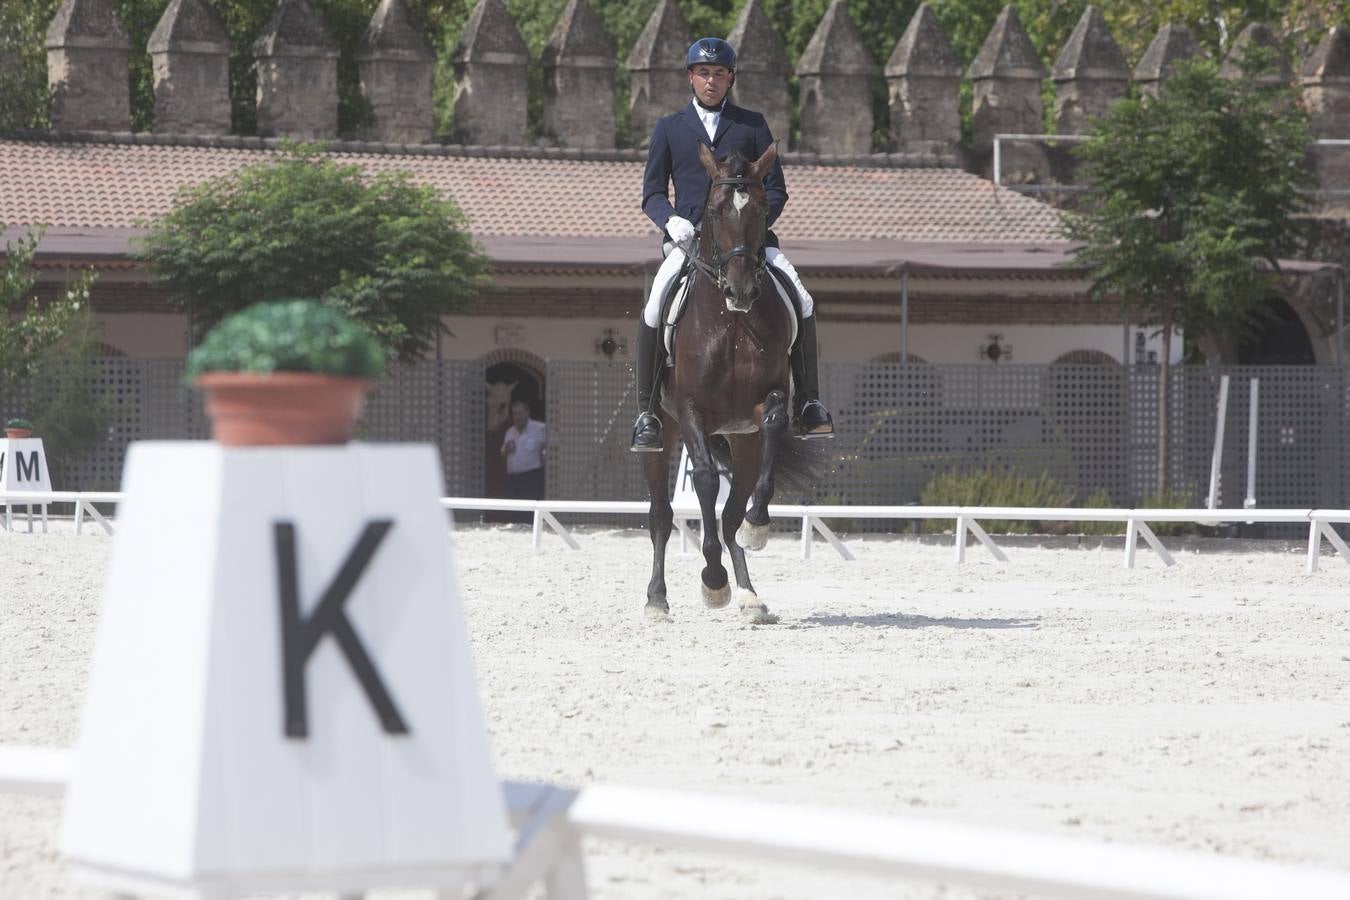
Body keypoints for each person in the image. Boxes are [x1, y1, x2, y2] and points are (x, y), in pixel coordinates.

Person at [630, 36, 834, 452]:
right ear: (691, 77)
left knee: (804, 300)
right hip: (691, 244)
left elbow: (775, 190)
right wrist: (670, 221)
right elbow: (652, 192)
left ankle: (809, 402)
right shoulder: (669, 128)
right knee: (654, 307)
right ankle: (647, 412)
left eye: (719, 74)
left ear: (730, 79)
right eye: (703, 73)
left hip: (749, 244)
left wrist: (752, 231)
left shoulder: (752, 125)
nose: (711, 80)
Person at [501, 401, 546, 517]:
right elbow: (502, 454)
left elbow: (553, 447)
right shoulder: (510, 432)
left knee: (531, 513)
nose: (517, 417)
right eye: (515, 414)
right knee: (515, 513)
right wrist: (505, 450)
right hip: (513, 479)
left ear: (527, 412)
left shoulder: (540, 429)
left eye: (520, 413)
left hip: (531, 478)